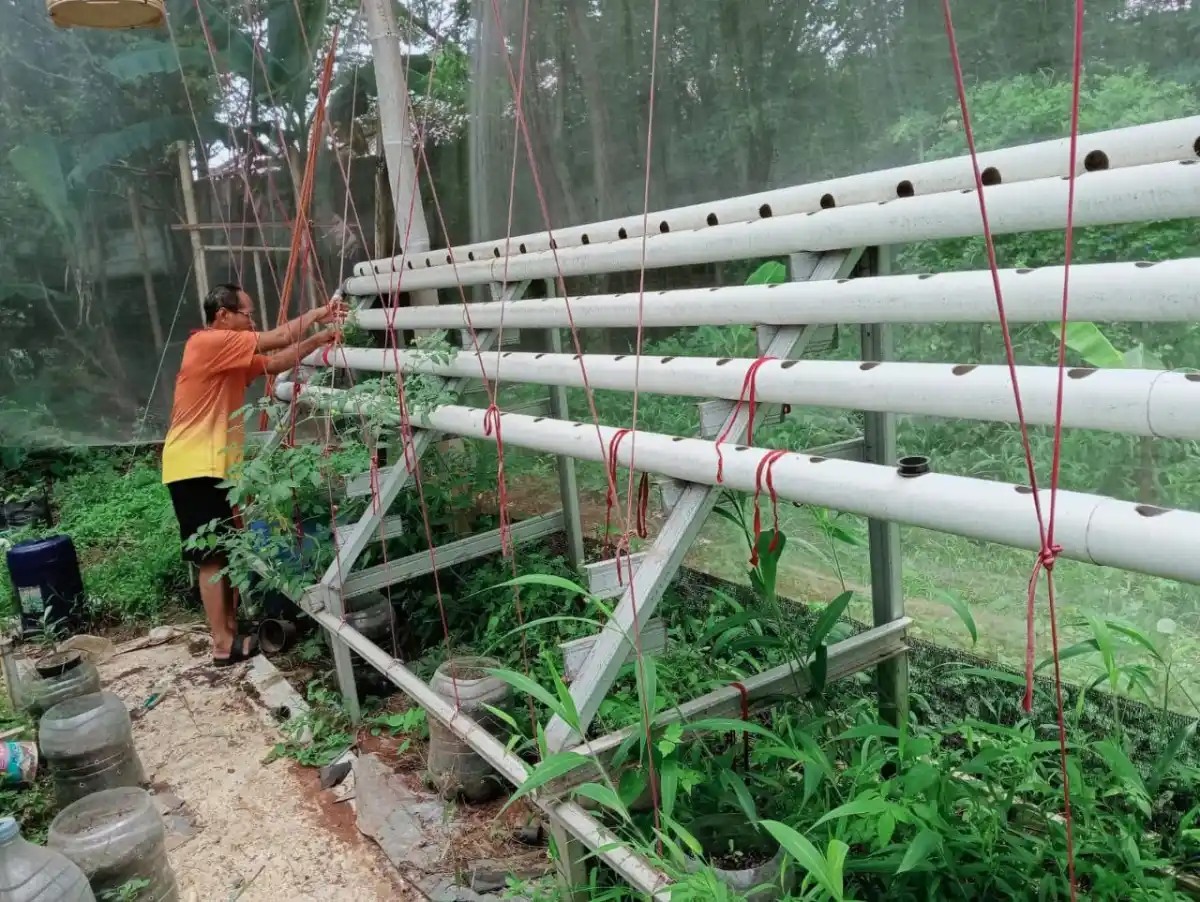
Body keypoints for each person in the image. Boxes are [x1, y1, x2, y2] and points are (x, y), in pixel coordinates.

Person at [162, 283, 344, 666]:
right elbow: (278, 338)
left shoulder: (229, 353)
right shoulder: (208, 342)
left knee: (226, 551)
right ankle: (221, 643)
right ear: (223, 315)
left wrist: (321, 339)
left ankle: (229, 631)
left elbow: (277, 363)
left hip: (218, 467)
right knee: (211, 556)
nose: (253, 321)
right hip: (194, 465)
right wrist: (319, 313)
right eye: (248, 314)